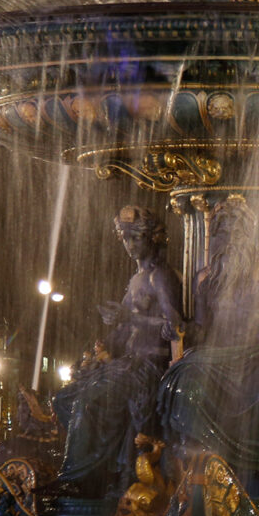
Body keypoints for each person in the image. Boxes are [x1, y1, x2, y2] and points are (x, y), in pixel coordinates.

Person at [157, 198, 259, 499]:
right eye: (222, 232)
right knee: (185, 391)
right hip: (213, 358)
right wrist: (181, 329)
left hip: (258, 356)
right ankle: (199, 475)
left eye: (236, 231)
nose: (229, 238)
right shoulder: (205, 278)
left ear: (250, 234)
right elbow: (202, 328)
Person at [50, 206, 184, 498]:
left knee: (86, 401)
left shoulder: (160, 276)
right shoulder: (136, 279)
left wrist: (128, 318)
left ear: (153, 239)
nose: (130, 245)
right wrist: (106, 341)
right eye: (125, 238)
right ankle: (99, 467)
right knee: (63, 399)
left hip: (149, 367)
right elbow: (125, 331)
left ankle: (79, 478)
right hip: (126, 364)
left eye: (136, 237)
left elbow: (173, 324)